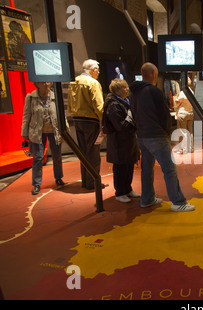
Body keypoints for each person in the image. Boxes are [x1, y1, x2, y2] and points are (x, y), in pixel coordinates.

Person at [129, 62, 195, 211]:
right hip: (156, 136)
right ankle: (178, 202)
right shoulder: (154, 91)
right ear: (153, 75)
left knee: (147, 168)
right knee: (169, 168)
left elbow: (133, 113)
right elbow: (164, 115)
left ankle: (147, 199)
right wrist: (166, 133)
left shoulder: (133, 92)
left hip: (141, 136)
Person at [21, 82, 65, 195]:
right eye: (43, 82)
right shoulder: (31, 97)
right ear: (37, 84)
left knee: (57, 155)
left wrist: (65, 130)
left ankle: (58, 178)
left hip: (53, 130)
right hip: (37, 131)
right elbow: (26, 115)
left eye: (48, 81)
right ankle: (36, 183)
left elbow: (61, 115)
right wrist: (24, 132)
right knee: (38, 157)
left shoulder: (55, 96)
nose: (46, 84)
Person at [68, 59, 105, 190]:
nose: (99, 72)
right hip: (90, 121)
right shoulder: (93, 83)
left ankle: (86, 181)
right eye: (98, 70)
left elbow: (70, 103)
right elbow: (99, 106)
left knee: (83, 152)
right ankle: (92, 182)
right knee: (93, 153)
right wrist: (104, 121)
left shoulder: (74, 82)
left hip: (77, 121)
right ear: (93, 69)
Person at [103, 78, 140, 203]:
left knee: (129, 166)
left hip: (128, 141)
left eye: (126, 87)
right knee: (120, 168)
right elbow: (120, 126)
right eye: (124, 87)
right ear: (117, 90)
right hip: (119, 142)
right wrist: (131, 120)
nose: (127, 89)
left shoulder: (125, 102)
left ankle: (127, 189)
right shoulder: (113, 105)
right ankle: (120, 192)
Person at [174, 77, 194, 154]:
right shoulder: (191, 91)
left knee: (183, 132)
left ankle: (184, 149)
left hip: (182, 114)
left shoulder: (183, 92)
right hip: (190, 113)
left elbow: (178, 102)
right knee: (190, 131)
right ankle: (191, 148)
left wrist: (176, 99)